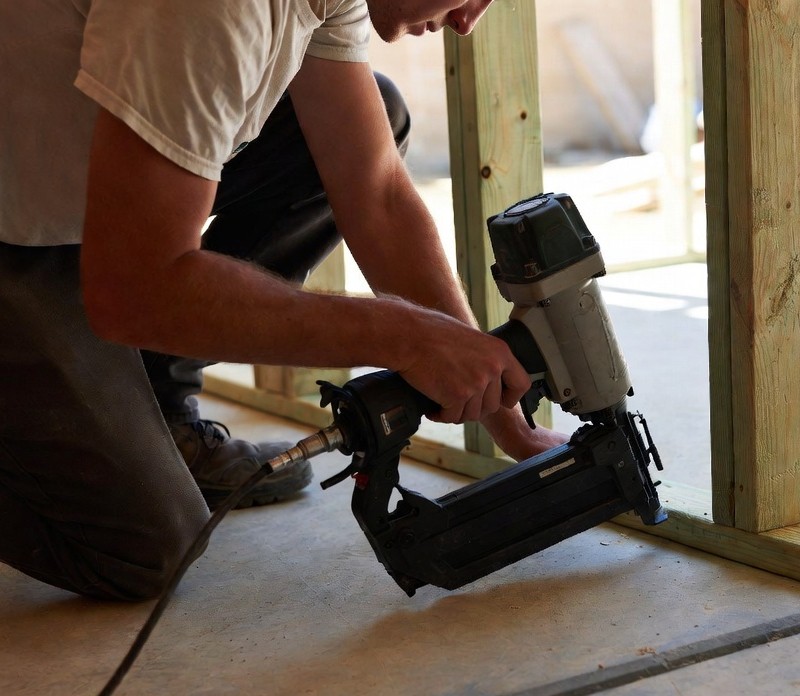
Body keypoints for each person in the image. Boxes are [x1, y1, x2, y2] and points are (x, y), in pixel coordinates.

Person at [0, 0, 564, 601]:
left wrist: (507, 418)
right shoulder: (211, 9)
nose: (467, 21)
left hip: (79, 201)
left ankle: (155, 407)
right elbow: (132, 292)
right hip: (20, 232)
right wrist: (405, 337)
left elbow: (375, 195)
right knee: (145, 547)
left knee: (363, 118)